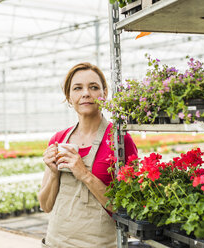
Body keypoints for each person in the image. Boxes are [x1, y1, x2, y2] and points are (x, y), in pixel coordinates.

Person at [38, 62, 138, 248]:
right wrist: (53, 173)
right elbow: (45, 206)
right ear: (69, 97)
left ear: (104, 93)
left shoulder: (120, 141)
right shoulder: (58, 140)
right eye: (77, 88)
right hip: (55, 242)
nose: (86, 93)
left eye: (93, 87)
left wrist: (84, 173)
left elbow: (127, 209)